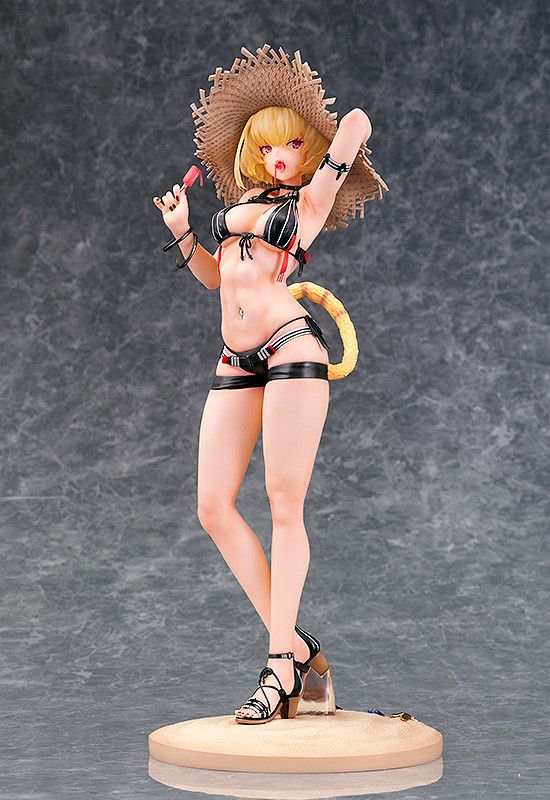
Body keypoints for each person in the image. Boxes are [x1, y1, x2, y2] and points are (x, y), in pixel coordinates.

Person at [152, 44, 388, 725]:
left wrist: (336, 135)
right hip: (235, 355)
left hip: (290, 348)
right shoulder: (247, 202)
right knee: (212, 506)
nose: (280, 155)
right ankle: (298, 645)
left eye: (292, 143)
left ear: (309, 150)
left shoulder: (310, 201)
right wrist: (183, 234)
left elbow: (357, 125)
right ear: (252, 152)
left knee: (284, 504)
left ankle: (279, 665)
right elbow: (217, 280)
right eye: (267, 145)